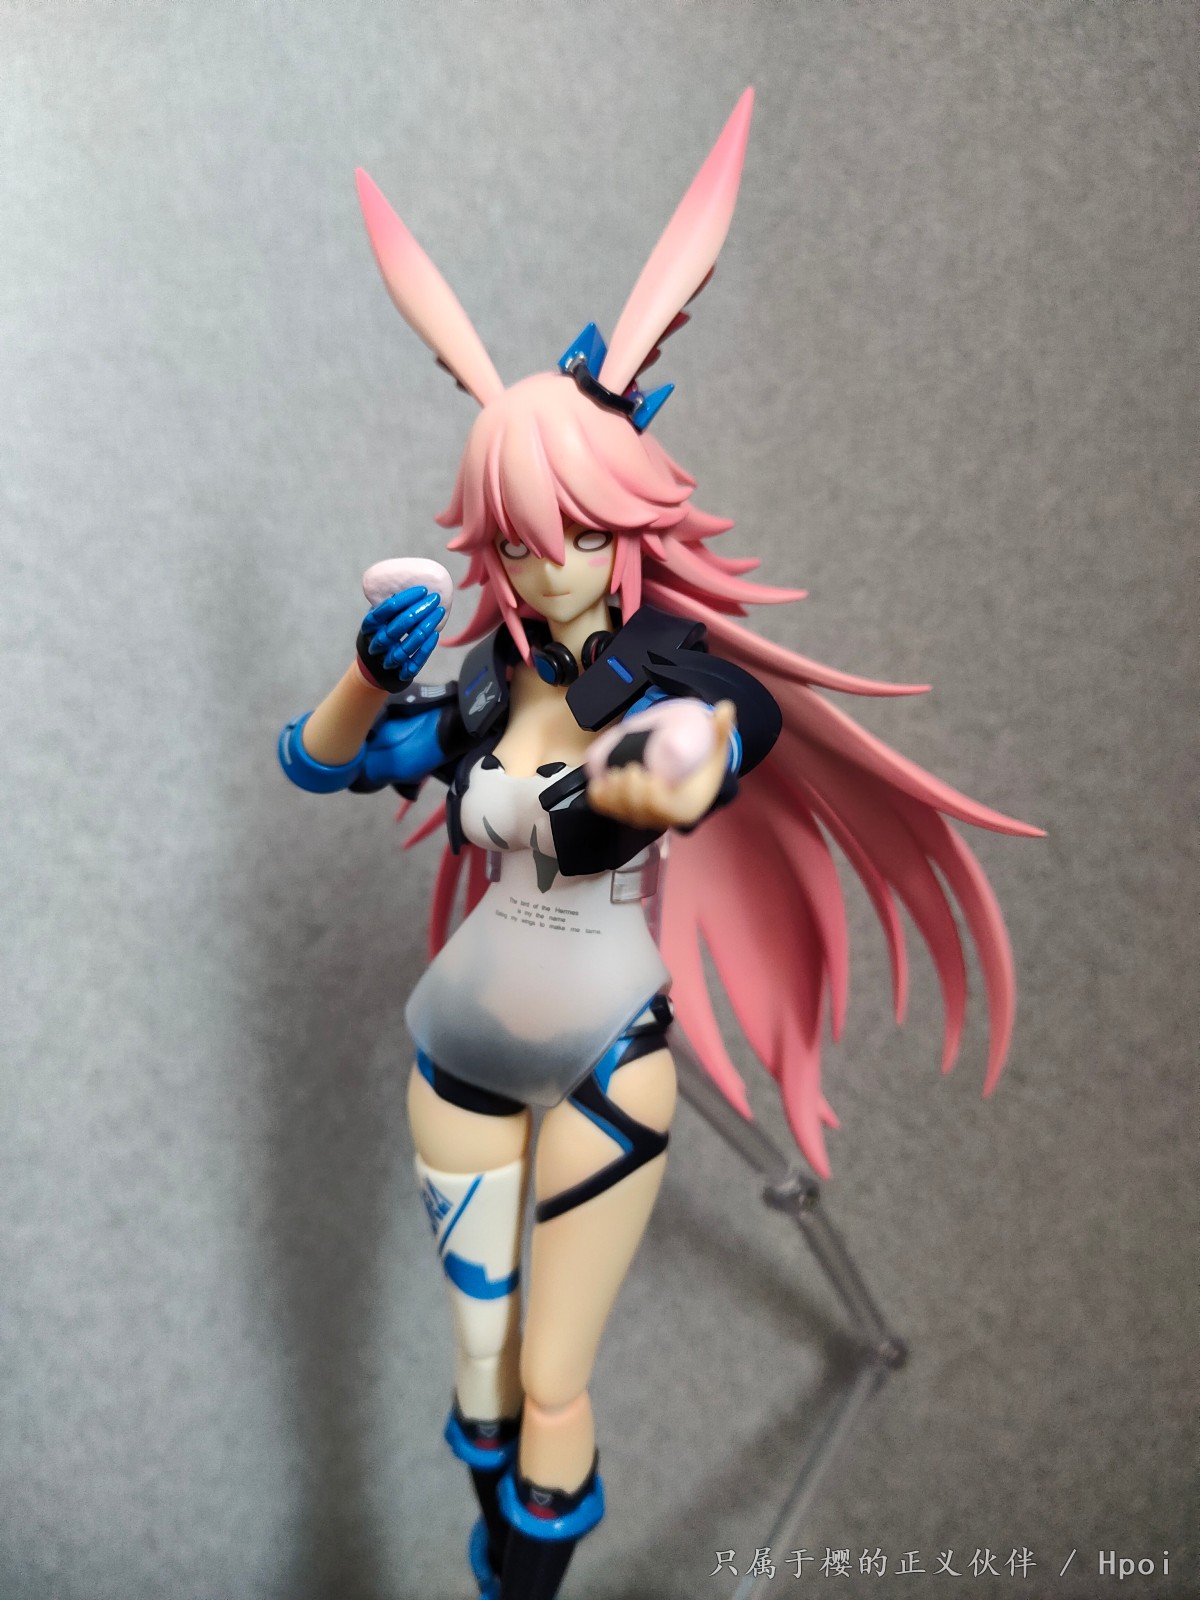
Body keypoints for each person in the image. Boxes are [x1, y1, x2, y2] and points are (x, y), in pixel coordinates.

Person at [278, 90, 1039, 1600]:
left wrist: (634, 778)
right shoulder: (482, 689)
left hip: (604, 1060)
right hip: (456, 1052)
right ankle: (495, 1538)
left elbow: (709, 748)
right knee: (480, 1377)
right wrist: (367, 671)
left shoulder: (681, 680)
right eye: (513, 538)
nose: (538, 561)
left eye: (564, 530)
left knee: (552, 1386)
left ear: (621, 524)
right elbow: (323, 762)